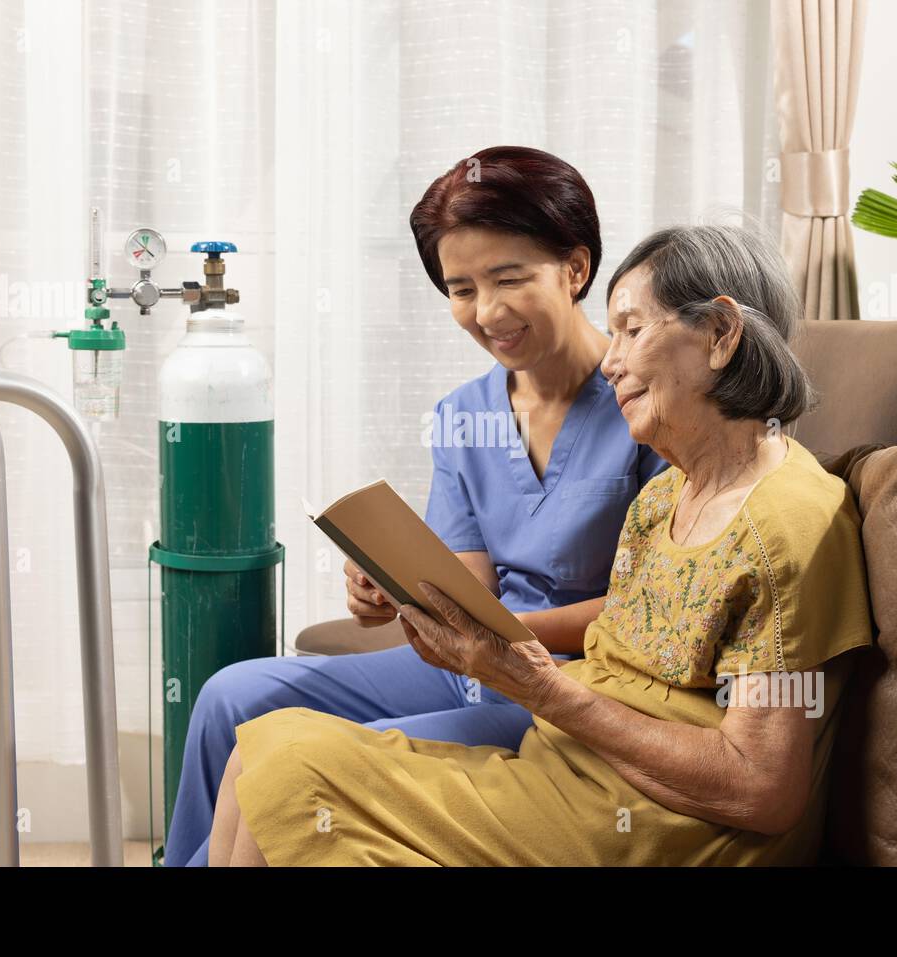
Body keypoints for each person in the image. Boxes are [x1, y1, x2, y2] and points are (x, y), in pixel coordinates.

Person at [209, 223, 875, 866]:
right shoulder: (663, 500)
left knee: (292, 774)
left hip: (661, 824)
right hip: (571, 765)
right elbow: (618, 660)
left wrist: (535, 684)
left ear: (720, 334)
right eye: (611, 333)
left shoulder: (785, 523)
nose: (610, 362)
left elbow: (762, 787)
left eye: (633, 329)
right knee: (259, 754)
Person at [163, 146, 667, 866]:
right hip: (466, 664)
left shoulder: (645, 406)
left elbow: (654, 609)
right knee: (227, 698)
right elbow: (464, 586)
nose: (485, 311)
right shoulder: (462, 414)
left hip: (564, 686)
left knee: (286, 761)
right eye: (461, 288)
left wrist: (504, 634)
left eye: (508, 278)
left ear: (576, 269)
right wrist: (393, 590)